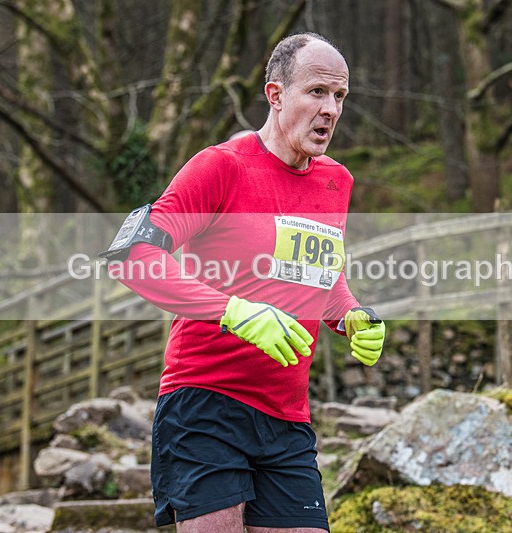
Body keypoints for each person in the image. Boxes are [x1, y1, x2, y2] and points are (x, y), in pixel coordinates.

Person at [103, 32, 385, 532]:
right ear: (275, 95)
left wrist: (351, 315)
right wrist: (233, 312)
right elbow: (132, 257)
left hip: (287, 417)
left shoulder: (335, 181)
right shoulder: (222, 166)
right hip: (204, 406)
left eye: (340, 96)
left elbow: (322, 274)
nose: (331, 109)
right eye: (317, 92)